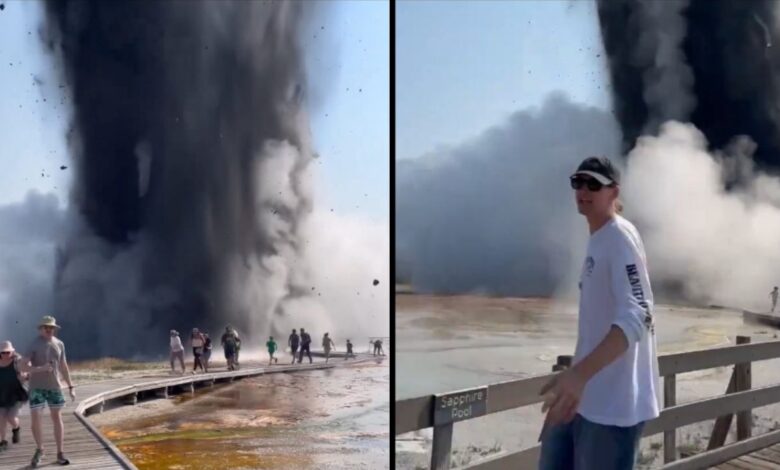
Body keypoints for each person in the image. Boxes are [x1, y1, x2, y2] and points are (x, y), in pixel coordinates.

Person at [538, 157, 659, 470]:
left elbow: (640, 314)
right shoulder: (599, 238)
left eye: (594, 184)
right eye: (578, 182)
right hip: (582, 398)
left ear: (613, 192)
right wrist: (574, 376)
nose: (584, 190)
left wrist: (579, 374)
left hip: (613, 408)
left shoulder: (619, 238)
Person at [22, 316, 77, 467]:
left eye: (51, 327)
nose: (49, 329)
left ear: (54, 329)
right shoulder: (33, 344)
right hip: (36, 387)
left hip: (55, 387)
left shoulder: (60, 344)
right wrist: (40, 369)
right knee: (35, 420)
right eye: (46, 327)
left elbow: (63, 366)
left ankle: (60, 452)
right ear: (40, 329)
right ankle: (40, 450)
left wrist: (71, 386)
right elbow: (22, 366)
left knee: (57, 418)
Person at [0, 340, 39, 452]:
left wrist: (25, 376)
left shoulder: (18, 361)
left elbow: (29, 369)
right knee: (1, 418)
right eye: (3, 352)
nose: (6, 354)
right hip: (1, 394)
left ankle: (16, 429)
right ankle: (3, 442)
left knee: (10, 417)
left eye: (8, 352)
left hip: (16, 394)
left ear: (12, 351)